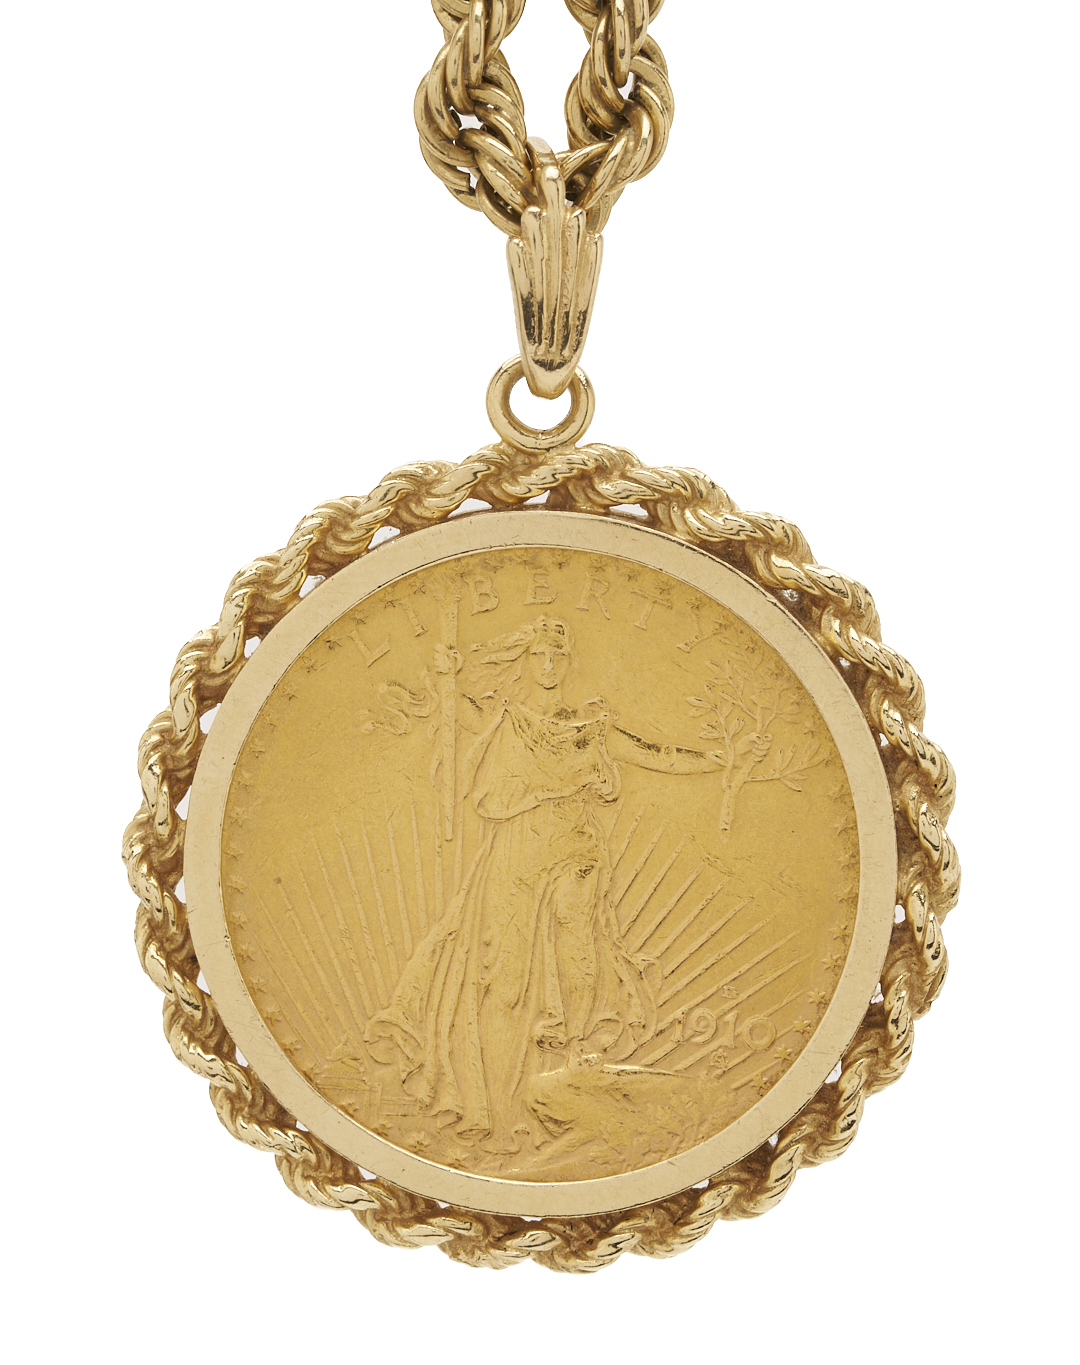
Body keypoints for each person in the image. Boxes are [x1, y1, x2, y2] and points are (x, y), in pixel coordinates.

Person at [366, 617, 725, 1154]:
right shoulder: (508, 717)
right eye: (540, 655)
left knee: (576, 935)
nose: (550, 666)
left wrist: (718, 760)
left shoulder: (590, 727)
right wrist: (446, 675)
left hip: (575, 846)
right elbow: (460, 714)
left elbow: (654, 753)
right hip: (516, 851)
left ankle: (573, 1046)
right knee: (503, 978)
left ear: (569, 661)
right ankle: (497, 1104)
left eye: (559, 655)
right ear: (527, 661)